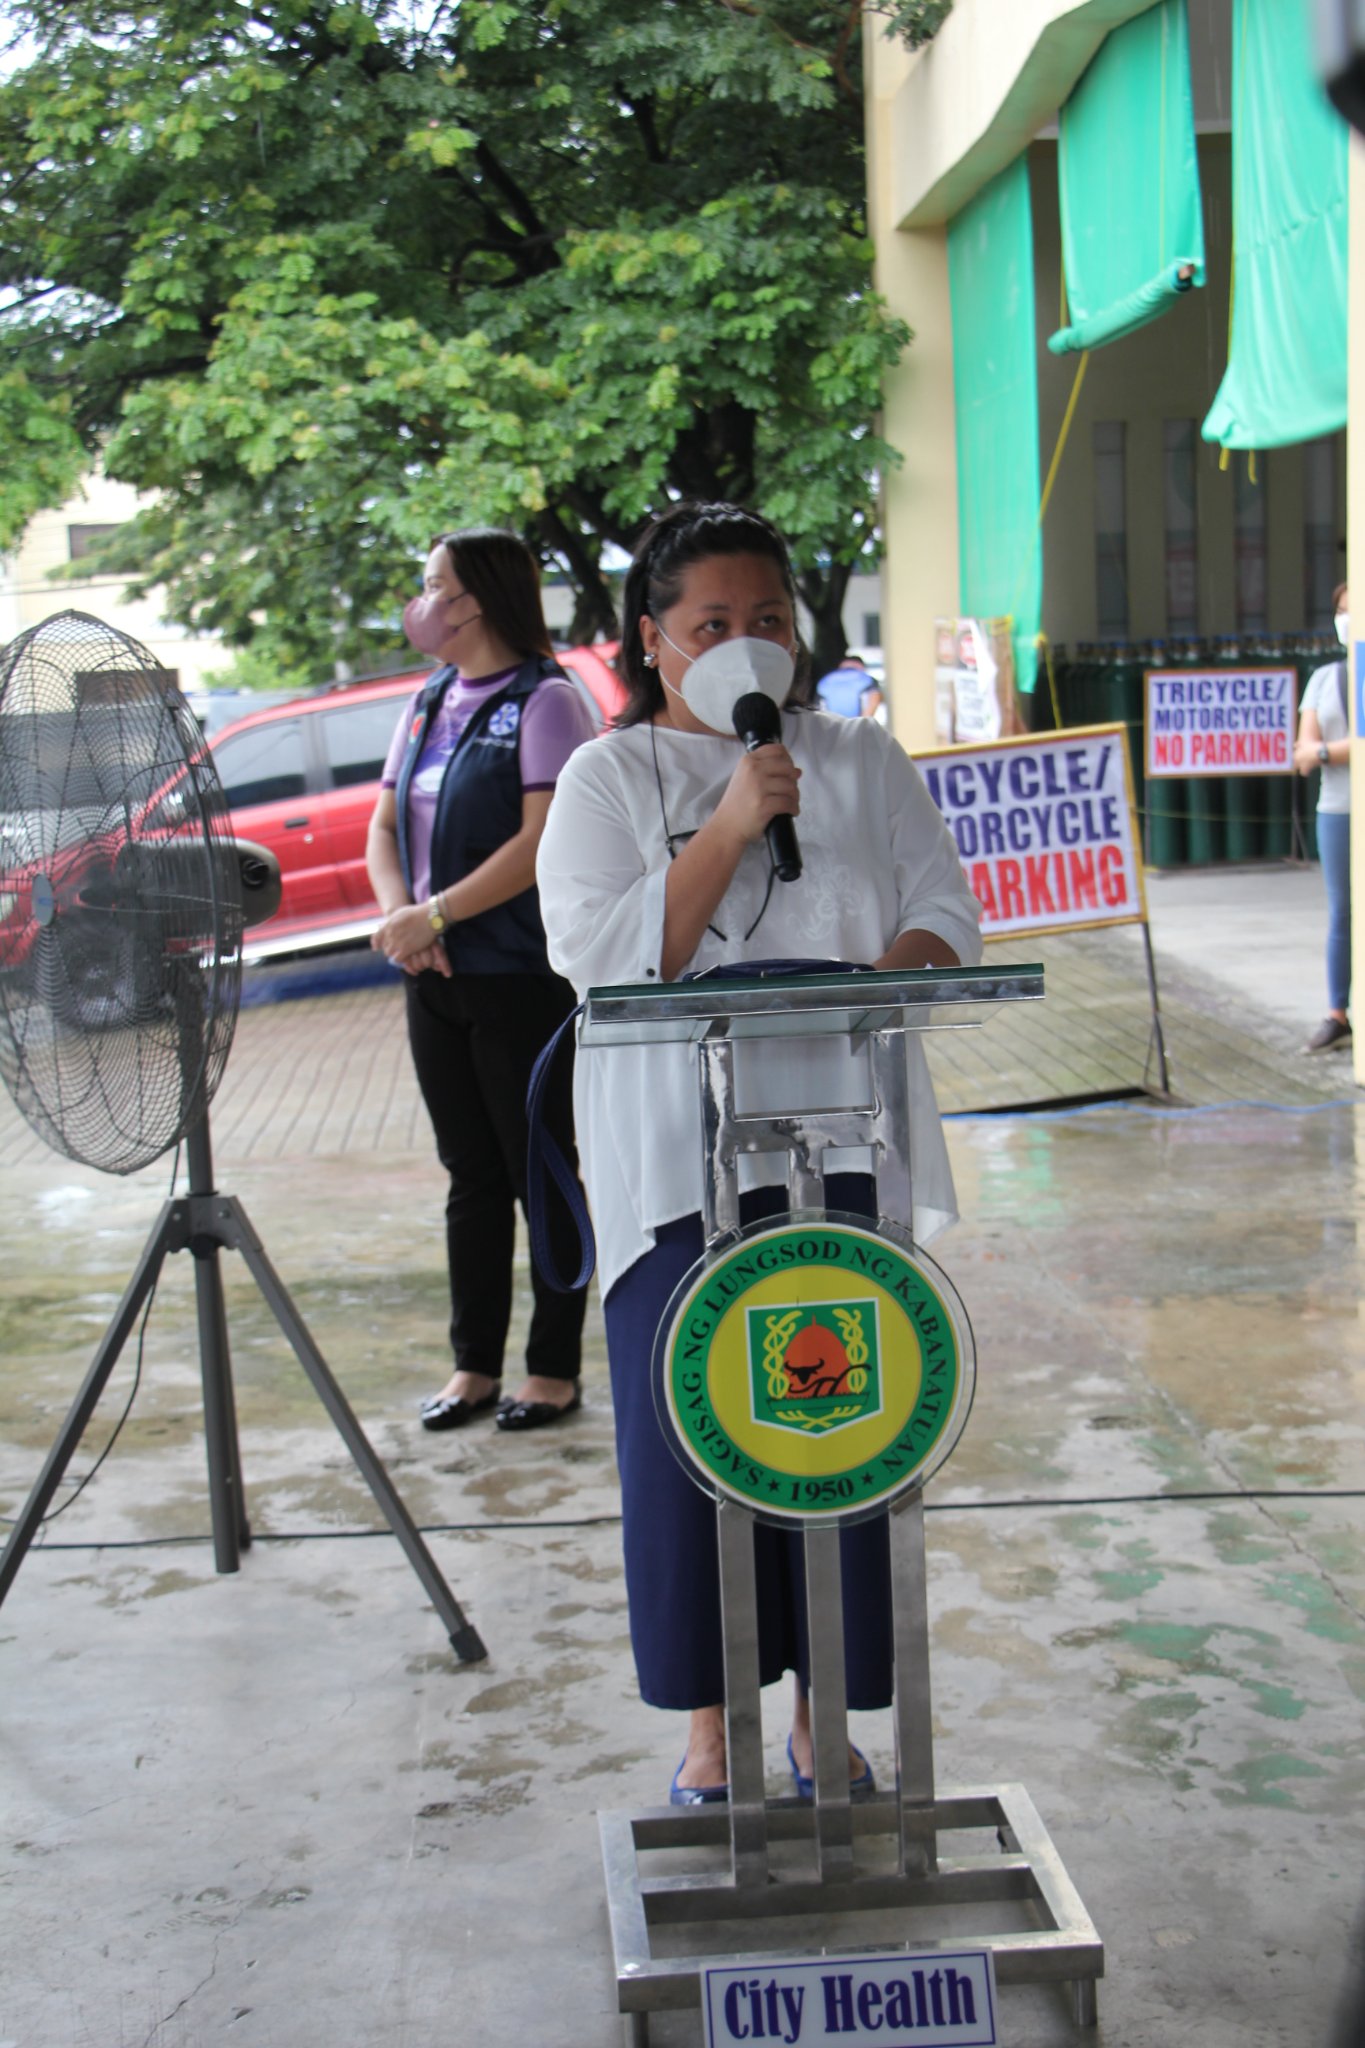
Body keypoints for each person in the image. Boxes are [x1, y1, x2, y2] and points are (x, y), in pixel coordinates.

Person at [536, 501, 982, 1802]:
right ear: (654, 643)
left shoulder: (858, 758)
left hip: (849, 1146)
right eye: (712, 625)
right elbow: (604, 958)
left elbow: (940, 918)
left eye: (769, 620)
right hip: (679, 1167)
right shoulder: (608, 780)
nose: (747, 646)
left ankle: (820, 1716)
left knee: (835, 1424)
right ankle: (711, 1731)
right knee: (696, 1442)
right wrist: (727, 823)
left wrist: (878, 979)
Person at [366, 527, 596, 1431]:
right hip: (434, 975)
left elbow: (541, 845)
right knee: (468, 1173)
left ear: (478, 599)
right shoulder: (427, 701)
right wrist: (404, 923)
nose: (421, 601)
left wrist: (437, 915)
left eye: (434, 585)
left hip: (515, 976)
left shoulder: (547, 702)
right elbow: (384, 826)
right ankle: (474, 1365)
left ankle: (553, 1369)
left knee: (538, 1172)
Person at [1294, 582, 1352, 1053]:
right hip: (1336, 810)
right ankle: (1338, 1013)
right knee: (1342, 912)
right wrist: (1339, 751)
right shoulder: (1324, 678)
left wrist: (1326, 750)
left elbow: (1318, 749)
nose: (1347, 620)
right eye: (1342, 611)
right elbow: (1302, 755)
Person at [815, 649, 885, 722]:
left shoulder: (825, 681)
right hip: (856, 724)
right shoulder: (867, 679)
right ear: (861, 666)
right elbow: (874, 699)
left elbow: (818, 706)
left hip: (831, 726)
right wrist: (863, 723)